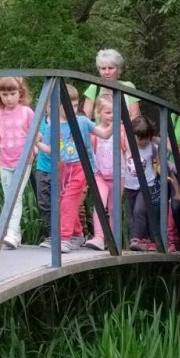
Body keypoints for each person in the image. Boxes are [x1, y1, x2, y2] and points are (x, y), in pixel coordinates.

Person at [35, 84, 111, 254]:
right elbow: (50, 150)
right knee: (63, 200)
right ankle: (77, 235)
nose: (73, 110)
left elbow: (104, 134)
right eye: (69, 106)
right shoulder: (52, 126)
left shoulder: (82, 121)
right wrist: (36, 142)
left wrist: (114, 124)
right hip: (63, 167)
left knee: (68, 200)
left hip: (81, 166)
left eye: (76, 105)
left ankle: (63, 238)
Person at [0, 76, 34, 249]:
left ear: (20, 93)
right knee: (9, 197)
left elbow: (35, 134)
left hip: (23, 161)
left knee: (15, 196)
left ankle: (11, 233)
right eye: (4, 94)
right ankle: (15, 235)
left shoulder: (26, 112)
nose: (9, 98)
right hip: (5, 162)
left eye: (12, 93)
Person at [84, 95, 116, 251]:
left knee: (113, 208)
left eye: (114, 112)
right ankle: (99, 237)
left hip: (118, 176)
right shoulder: (94, 131)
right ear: (98, 112)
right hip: (99, 174)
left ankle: (113, 239)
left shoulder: (121, 130)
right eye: (108, 112)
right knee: (99, 203)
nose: (112, 116)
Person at [123, 115, 159, 251]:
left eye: (146, 138)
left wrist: (162, 173)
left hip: (146, 184)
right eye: (140, 138)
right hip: (129, 184)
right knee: (131, 214)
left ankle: (135, 238)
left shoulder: (152, 148)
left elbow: (157, 162)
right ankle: (143, 239)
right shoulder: (127, 144)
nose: (143, 141)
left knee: (139, 209)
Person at [81, 49, 142, 122]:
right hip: (99, 129)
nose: (107, 72)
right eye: (103, 68)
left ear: (118, 69)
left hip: (124, 129)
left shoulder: (128, 87)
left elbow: (135, 117)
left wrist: (120, 128)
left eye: (110, 68)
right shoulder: (94, 88)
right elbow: (86, 119)